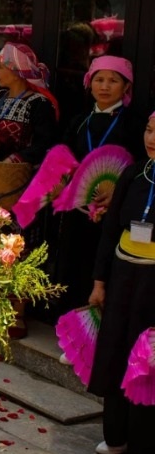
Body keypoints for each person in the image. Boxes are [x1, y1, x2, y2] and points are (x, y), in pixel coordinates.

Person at [87, 112, 155, 454]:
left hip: (153, 282)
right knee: (116, 348)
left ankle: (146, 441)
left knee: (148, 359)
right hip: (123, 273)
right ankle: (116, 436)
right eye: (148, 129)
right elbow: (111, 228)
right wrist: (100, 281)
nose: (151, 137)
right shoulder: (134, 173)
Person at [53, 55, 146, 313]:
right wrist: (63, 183)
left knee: (103, 267)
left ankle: (101, 330)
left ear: (126, 86)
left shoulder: (136, 124)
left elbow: (141, 163)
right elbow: (65, 157)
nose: (105, 86)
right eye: (99, 79)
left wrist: (118, 189)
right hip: (79, 207)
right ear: (89, 83)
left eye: (113, 80)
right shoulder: (79, 120)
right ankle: (73, 324)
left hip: (115, 209)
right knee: (74, 263)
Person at [0, 43, 59, 166]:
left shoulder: (39, 104)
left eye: (1, 67)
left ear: (17, 73)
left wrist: (15, 159)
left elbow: (43, 144)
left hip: (17, 177)